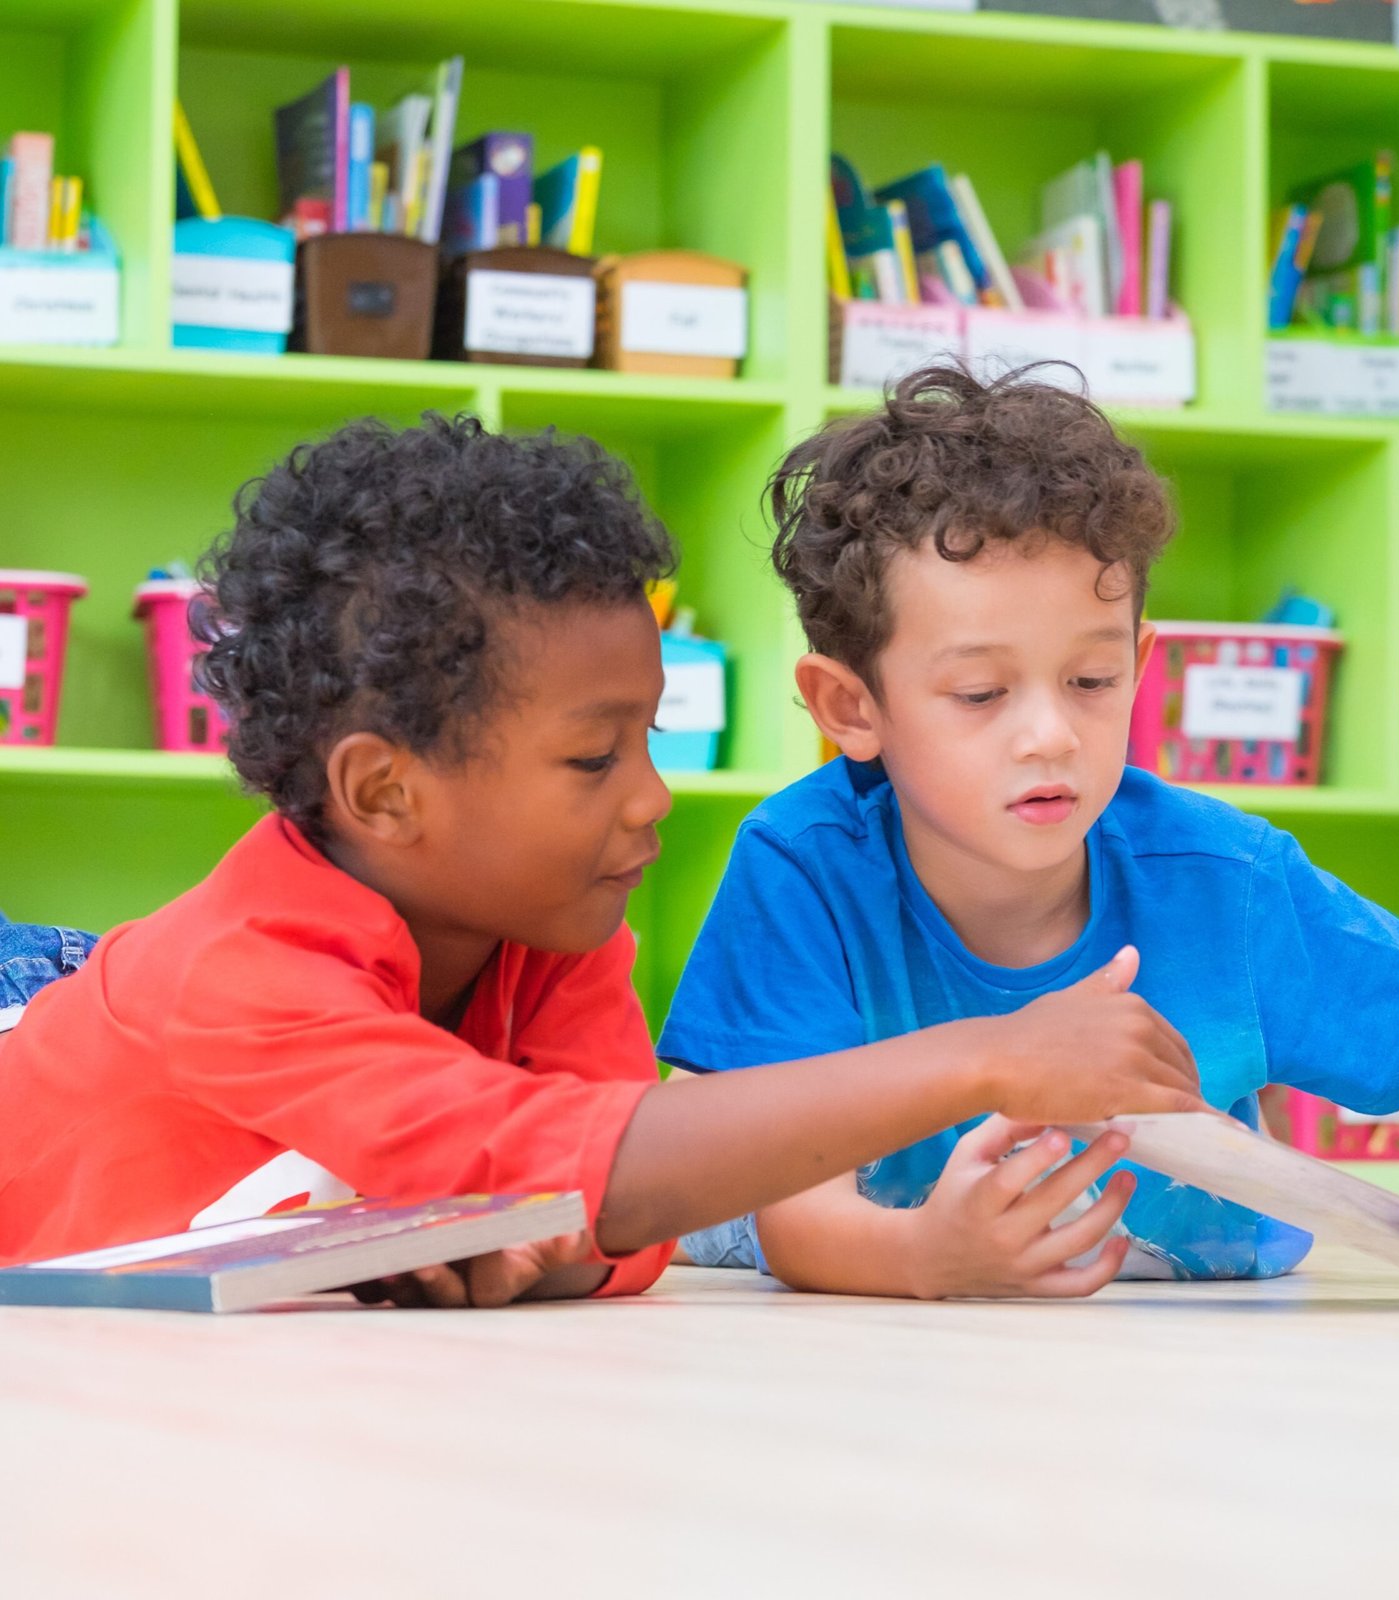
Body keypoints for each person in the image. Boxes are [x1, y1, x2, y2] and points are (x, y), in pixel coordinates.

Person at [0, 412, 1203, 1305]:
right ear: (384, 789)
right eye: (593, 761)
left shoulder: (557, 930)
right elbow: (621, 1165)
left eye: (650, 738)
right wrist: (985, 1054)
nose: (652, 799)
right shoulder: (239, 976)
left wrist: (539, 1246)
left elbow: (620, 1220)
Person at [659, 362, 1399, 1299]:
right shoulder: (806, 864)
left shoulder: (1225, 878)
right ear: (850, 707)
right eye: (981, 693)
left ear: (1140, 665)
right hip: (868, 1321)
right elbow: (791, 1211)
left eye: (1092, 682)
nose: (1050, 735)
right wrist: (926, 1261)